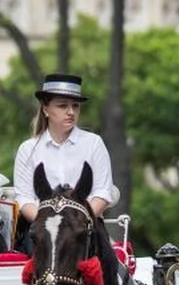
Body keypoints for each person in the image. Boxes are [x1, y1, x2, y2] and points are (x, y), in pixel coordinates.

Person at [11, 74, 119, 248]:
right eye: (63, 106)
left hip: (87, 232)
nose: (71, 112)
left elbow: (103, 192)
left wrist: (77, 222)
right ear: (45, 108)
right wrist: (51, 223)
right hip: (42, 235)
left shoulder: (94, 143)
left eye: (75, 106)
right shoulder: (27, 150)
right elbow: (24, 199)